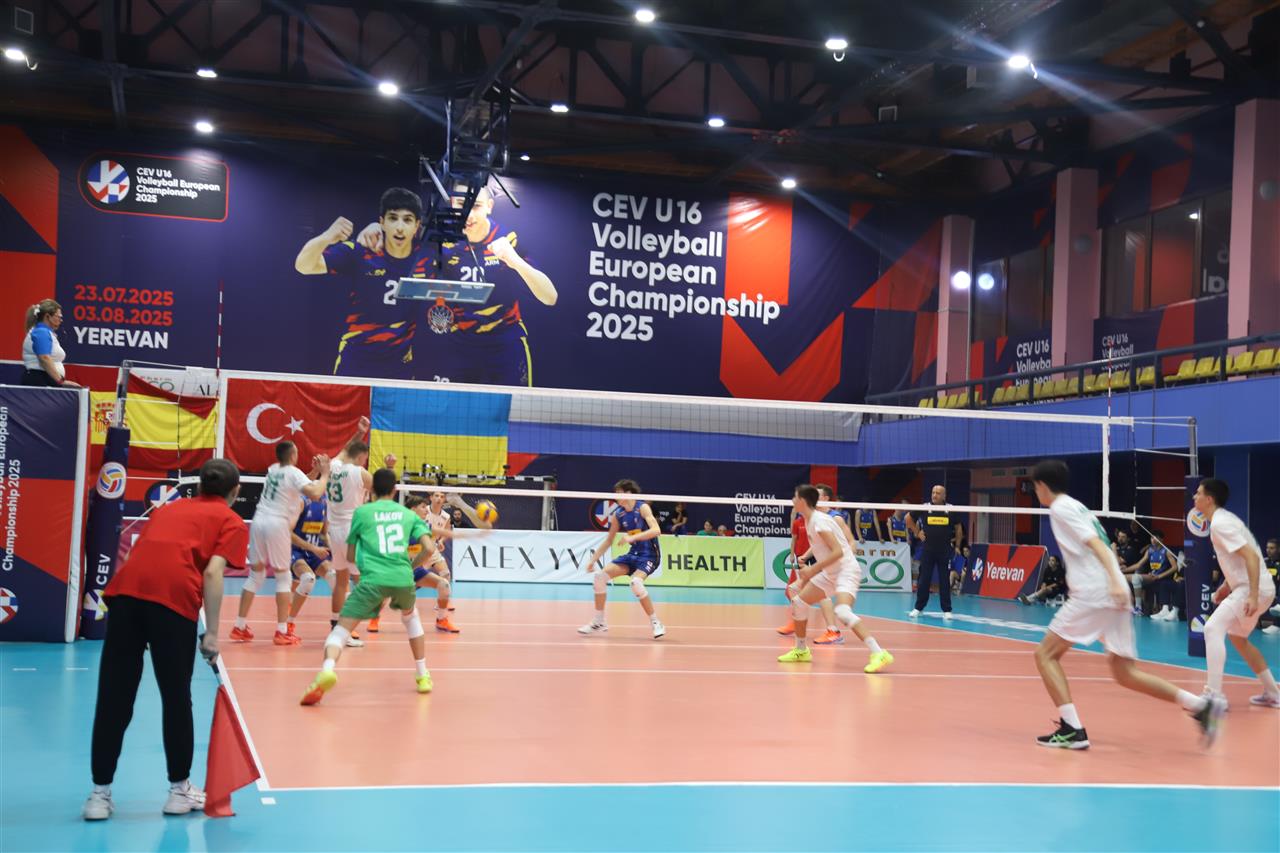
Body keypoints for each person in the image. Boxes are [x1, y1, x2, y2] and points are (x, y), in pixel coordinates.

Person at [84, 459, 247, 821]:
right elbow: (213, 573)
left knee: (114, 698)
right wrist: (212, 635)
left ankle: (98, 795)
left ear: (199, 486)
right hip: (173, 603)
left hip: (125, 596)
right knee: (176, 698)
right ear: (235, 492)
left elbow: (136, 553)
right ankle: (178, 791)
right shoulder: (231, 521)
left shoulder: (168, 509)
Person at [1028, 459, 1220, 750]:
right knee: (1124, 673)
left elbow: (1095, 544)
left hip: (1095, 592)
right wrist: (1118, 582)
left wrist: (1114, 581)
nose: (1035, 492)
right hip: (1113, 592)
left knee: (1045, 655)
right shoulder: (1077, 506)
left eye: (1034, 487)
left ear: (1042, 485)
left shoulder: (1060, 508)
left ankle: (1072, 729)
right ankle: (1199, 705)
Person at [358, 185, 558, 386]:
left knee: (516, 405)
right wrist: (375, 228)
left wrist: (514, 260)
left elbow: (550, 297)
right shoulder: (439, 236)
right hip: (461, 347)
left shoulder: (507, 239)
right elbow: (400, 234)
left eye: (476, 206)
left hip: (505, 344)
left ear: (489, 206)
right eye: (462, 204)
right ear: (453, 203)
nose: (468, 214)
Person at [300, 468, 437, 705]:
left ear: (371, 489)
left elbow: (350, 555)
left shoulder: (362, 513)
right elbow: (429, 548)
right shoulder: (408, 514)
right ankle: (422, 675)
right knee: (411, 618)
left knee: (341, 629)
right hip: (403, 578)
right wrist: (411, 566)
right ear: (395, 490)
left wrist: (366, 563)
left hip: (372, 579)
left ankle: (327, 670)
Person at [295, 188, 433, 379]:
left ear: (417, 225)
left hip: (400, 365)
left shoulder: (427, 257)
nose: (400, 227)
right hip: (356, 360)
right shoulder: (360, 251)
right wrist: (327, 236)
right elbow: (303, 265)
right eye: (393, 218)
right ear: (382, 222)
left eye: (407, 220)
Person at [776, 485, 893, 673]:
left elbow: (838, 551)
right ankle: (801, 650)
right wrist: (807, 568)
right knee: (799, 602)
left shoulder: (819, 522)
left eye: (795, 497)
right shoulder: (809, 520)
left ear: (803, 501)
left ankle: (879, 653)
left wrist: (812, 570)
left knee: (843, 612)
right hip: (830, 573)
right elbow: (821, 547)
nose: (792, 500)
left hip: (846, 571)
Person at [1193, 479, 1279, 710]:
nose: (1194, 497)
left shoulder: (1221, 524)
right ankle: (1273, 693)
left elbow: (1251, 557)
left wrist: (1252, 595)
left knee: (1212, 628)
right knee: (1238, 638)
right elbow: (1238, 561)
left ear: (1209, 499)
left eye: (1198, 493)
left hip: (1253, 588)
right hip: (1256, 586)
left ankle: (1214, 697)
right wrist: (1226, 586)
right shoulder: (1224, 520)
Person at [231, 441, 329, 645]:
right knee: (284, 578)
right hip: (277, 524)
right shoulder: (293, 472)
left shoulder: (273, 469)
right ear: (293, 455)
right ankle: (282, 631)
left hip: (259, 521)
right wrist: (325, 474)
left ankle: (239, 626)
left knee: (255, 575)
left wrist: (314, 472)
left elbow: (300, 484)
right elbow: (315, 492)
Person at [578, 479, 665, 639]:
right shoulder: (619, 514)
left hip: (649, 556)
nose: (616, 496)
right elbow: (608, 541)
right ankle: (599, 621)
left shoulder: (642, 507)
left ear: (628, 493)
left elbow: (656, 530)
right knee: (599, 577)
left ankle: (655, 622)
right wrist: (593, 560)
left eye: (618, 493)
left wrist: (633, 537)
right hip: (632, 555)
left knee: (636, 583)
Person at [777, 506, 841, 644]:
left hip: (824, 561)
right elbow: (812, 543)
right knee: (793, 589)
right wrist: (804, 556)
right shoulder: (805, 521)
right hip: (809, 558)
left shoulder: (829, 519)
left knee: (823, 595)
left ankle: (833, 630)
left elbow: (836, 546)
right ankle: (797, 622)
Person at [283, 494, 339, 641]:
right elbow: (288, 533)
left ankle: (338, 624)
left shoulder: (325, 502)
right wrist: (314, 548)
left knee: (334, 577)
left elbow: (324, 533)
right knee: (308, 579)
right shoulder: (301, 501)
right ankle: (289, 623)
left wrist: (332, 549)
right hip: (296, 550)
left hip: (315, 551)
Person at [907, 485, 959, 620]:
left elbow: (958, 528)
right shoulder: (925, 507)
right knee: (923, 580)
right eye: (933, 492)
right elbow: (908, 518)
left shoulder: (950, 509)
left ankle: (947, 610)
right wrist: (917, 532)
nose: (934, 495)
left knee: (944, 581)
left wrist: (958, 546)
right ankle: (918, 608)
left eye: (938, 493)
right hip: (928, 550)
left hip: (944, 551)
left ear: (944, 496)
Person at [22, 300, 78, 388]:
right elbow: (44, 358)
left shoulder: (44, 332)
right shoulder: (41, 332)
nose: (61, 320)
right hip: (40, 381)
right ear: (47, 316)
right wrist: (60, 381)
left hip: (45, 379)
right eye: (58, 316)